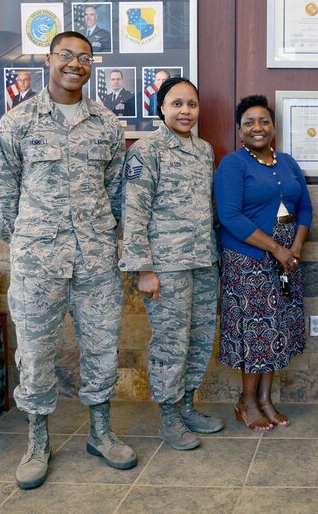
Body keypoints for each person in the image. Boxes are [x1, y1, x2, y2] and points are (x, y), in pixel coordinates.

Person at [0, 31, 136, 490]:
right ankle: (36, 441)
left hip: (95, 261)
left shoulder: (107, 124)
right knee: (34, 353)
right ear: (48, 60)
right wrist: (26, 240)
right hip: (38, 263)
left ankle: (100, 432)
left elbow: (116, 190)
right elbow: (1, 191)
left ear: (92, 66)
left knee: (102, 348)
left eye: (84, 57)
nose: (75, 63)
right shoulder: (19, 121)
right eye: (66, 55)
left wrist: (101, 235)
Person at [119, 77, 223, 451]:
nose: (185, 111)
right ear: (161, 108)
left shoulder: (204, 150)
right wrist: (143, 269)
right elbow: (134, 211)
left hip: (203, 261)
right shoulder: (147, 151)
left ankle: (187, 406)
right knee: (170, 343)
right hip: (166, 266)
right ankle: (169, 417)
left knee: (200, 338)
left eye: (191, 104)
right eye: (176, 104)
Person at [214, 95, 312, 431]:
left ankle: (267, 400)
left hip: (286, 261)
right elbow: (230, 216)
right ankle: (247, 402)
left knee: (277, 328)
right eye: (249, 123)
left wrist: (295, 247)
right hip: (249, 261)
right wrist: (276, 250)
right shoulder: (233, 164)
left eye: (264, 121)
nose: (258, 127)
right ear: (240, 130)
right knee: (256, 333)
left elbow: (305, 207)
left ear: (273, 126)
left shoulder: (287, 162)